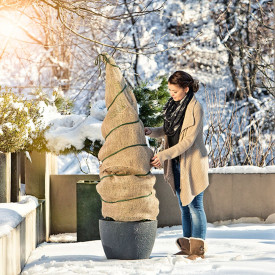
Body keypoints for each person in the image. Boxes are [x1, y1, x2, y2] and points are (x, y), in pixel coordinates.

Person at [144, 71, 209, 260]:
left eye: (174, 91)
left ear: (186, 89)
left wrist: (163, 155)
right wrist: (152, 132)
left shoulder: (196, 108)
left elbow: (188, 140)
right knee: (184, 206)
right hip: (176, 163)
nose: (171, 94)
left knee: (195, 206)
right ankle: (187, 246)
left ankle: (198, 249)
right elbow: (169, 129)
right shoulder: (174, 106)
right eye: (170, 90)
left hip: (192, 163)